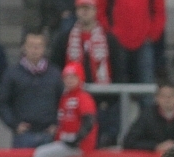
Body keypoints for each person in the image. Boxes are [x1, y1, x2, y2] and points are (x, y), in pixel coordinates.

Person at [51, 0, 127, 148]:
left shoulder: (109, 39)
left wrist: (109, 100)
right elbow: (56, 68)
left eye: (88, 8)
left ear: (95, 11)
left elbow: (119, 71)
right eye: (81, 8)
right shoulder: (64, 38)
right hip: (72, 105)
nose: (85, 12)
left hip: (102, 104)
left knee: (102, 145)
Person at [24, 62, 97, 157]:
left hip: (78, 144)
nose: (69, 80)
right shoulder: (66, 96)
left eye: (73, 77)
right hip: (67, 141)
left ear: (80, 78)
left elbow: (89, 121)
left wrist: (77, 139)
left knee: (41, 155)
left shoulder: (82, 97)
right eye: (66, 77)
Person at [0, 31, 64, 149]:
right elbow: (3, 102)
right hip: (23, 135)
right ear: (23, 47)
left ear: (44, 48)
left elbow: (63, 101)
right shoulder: (12, 73)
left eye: (39, 46)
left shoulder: (55, 73)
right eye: (31, 45)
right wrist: (14, 124)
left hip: (49, 134)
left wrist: (57, 124)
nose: (35, 50)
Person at [122, 79, 174, 152]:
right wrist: (155, 147)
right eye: (163, 96)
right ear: (156, 98)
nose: (167, 100)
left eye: (171, 96)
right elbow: (129, 142)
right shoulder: (148, 115)